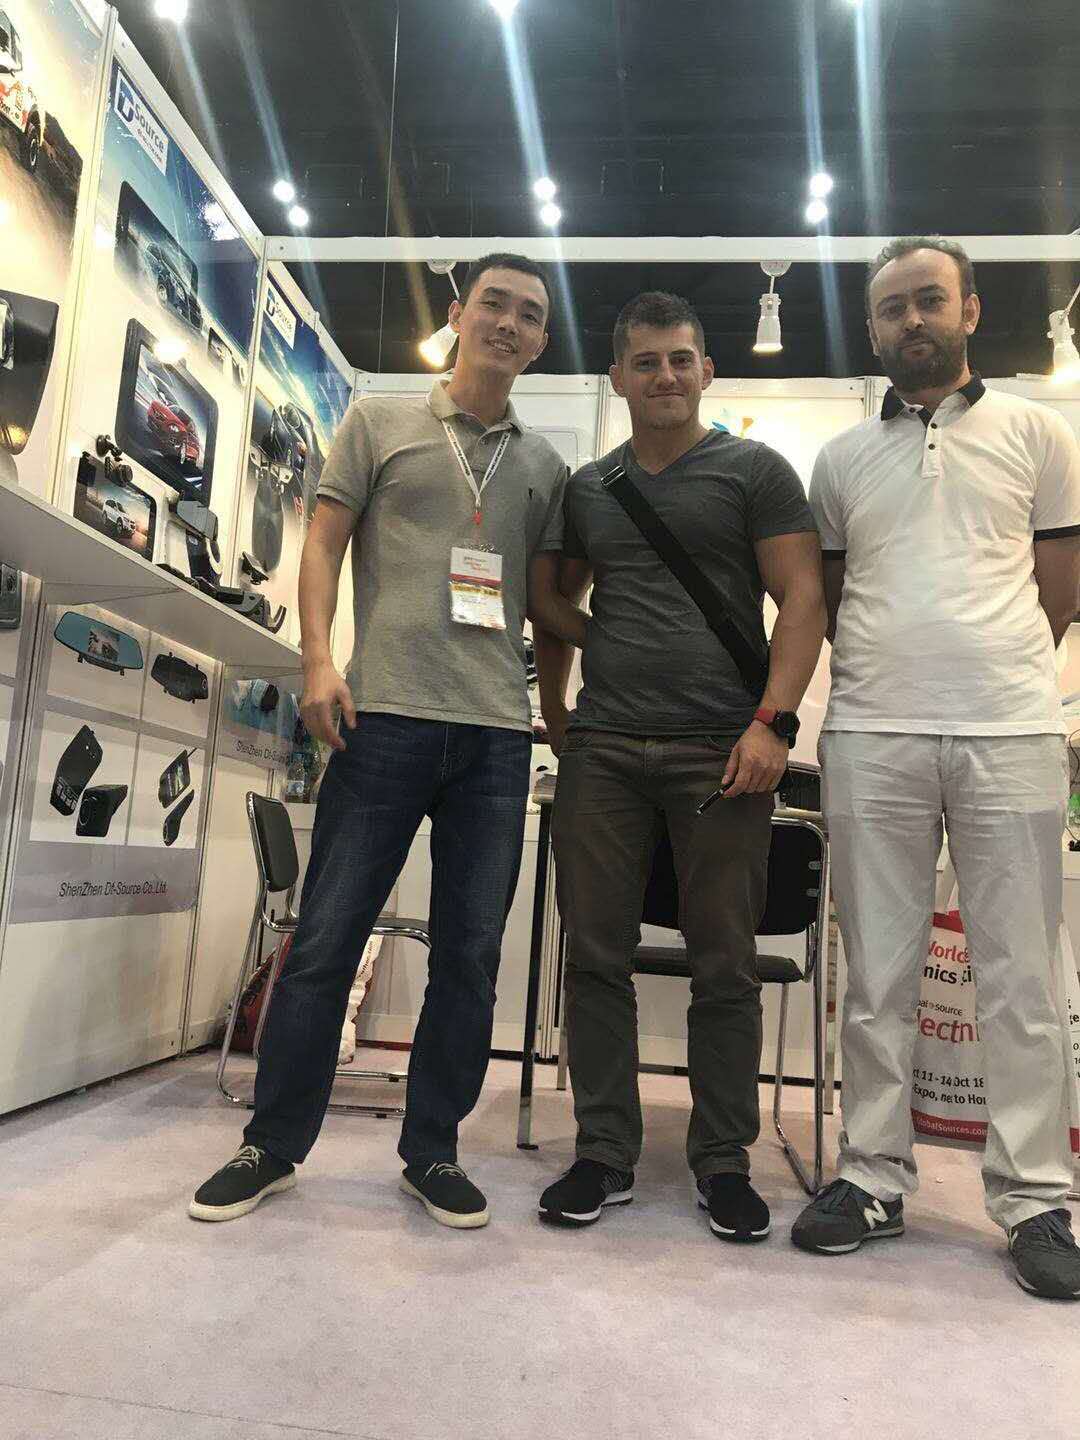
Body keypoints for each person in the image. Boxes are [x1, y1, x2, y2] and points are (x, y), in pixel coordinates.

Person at [190, 253, 570, 1231]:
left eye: (530, 314)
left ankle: (432, 1151)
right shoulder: (379, 422)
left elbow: (548, 602)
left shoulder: (544, 466)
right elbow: (322, 543)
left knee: (471, 957)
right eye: (495, 304)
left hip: (495, 735)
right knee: (326, 939)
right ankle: (272, 1144)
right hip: (384, 715)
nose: (510, 323)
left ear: (541, 340)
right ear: (459, 313)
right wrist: (319, 660)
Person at [793, 237, 1080, 1300]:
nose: (911, 320)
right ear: (872, 329)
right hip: (874, 731)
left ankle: (1035, 1200)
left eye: (928, 300)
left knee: (1023, 979)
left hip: (1011, 729)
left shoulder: (1038, 435)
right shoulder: (838, 461)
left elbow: (1061, 586)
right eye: (891, 309)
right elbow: (830, 598)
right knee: (877, 973)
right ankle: (871, 1178)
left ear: (969, 310)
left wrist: (991, 665)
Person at [528, 291, 826, 1241]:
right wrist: (560, 707)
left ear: (707, 371)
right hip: (606, 749)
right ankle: (603, 1152)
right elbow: (550, 601)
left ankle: (724, 1162)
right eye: (647, 360)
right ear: (617, 376)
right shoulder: (590, 486)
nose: (665, 375)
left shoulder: (754, 472)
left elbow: (803, 598)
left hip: (722, 751)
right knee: (594, 954)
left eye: (681, 359)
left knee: (724, 963)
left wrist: (774, 724)